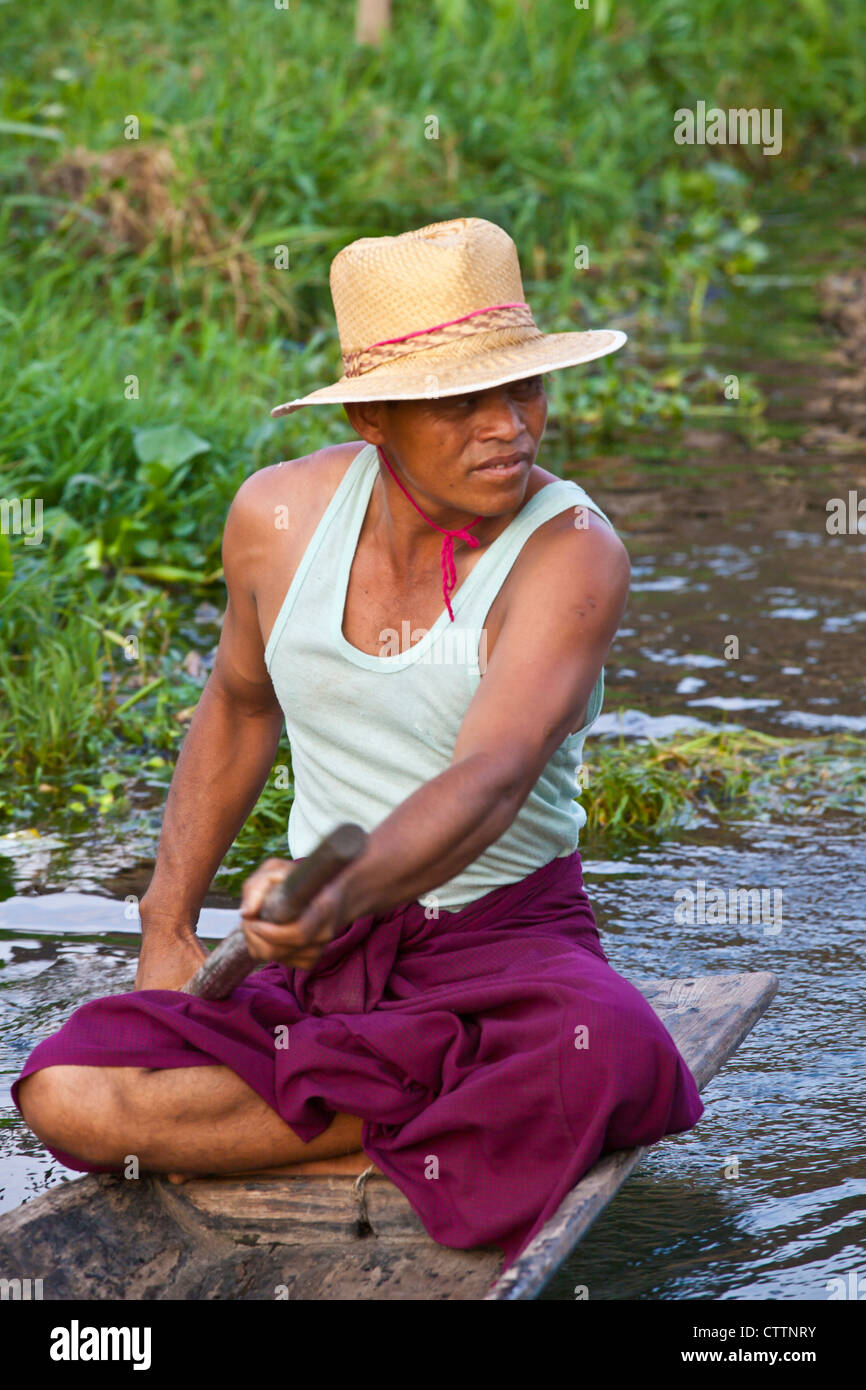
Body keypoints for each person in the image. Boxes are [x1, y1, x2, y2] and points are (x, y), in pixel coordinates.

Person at [13, 217, 704, 1272]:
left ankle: (342, 1129)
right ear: (374, 415)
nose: (509, 427)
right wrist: (166, 921)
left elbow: (490, 774)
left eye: (522, 390)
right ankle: (424, 1139)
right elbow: (238, 708)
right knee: (66, 1089)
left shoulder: (570, 552)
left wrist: (340, 890)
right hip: (323, 965)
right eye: (460, 402)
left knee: (603, 1049)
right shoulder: (278, 518)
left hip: (503, 948)